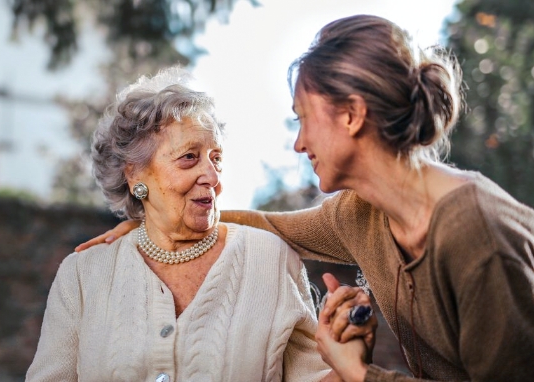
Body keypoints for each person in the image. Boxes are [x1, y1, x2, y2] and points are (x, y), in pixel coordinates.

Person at [74, 15, 534, 382]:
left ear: (352, 115)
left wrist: (358, 372)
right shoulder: (361, 214)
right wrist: (155, 220)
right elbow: (269, 225)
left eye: (303, 119)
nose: (299, 143)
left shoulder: (478, 236)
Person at [26, 67, 335, 381]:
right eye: (189, 157)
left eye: (216, 158)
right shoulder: (82, 275)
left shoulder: (271, 259)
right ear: (134, 175)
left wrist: (353, 360)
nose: (213, 178)